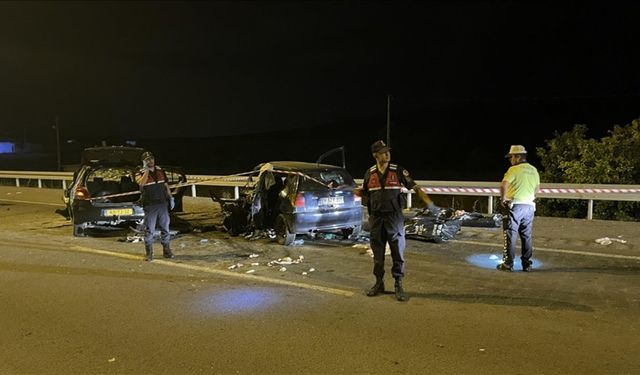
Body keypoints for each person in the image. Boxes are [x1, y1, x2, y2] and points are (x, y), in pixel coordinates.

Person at [357, 140, 438, 301]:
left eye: (388, 151)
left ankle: (398, 284)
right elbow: (364, 192)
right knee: (378, 254)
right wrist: (348, 190)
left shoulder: (398, 171)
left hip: (394, 217)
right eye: (383, 152)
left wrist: (430, 203)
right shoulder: (370, 173)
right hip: (376, 218)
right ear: (375, 155)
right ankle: (379, 283)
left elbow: (415, 188)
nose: (387, 154)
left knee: (397, 252)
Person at [497, 145, 540, 272]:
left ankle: (508, 264)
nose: (510, 160)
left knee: (510, 234)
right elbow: (537, 189)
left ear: (518, 156)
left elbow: (503, 185)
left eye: (511, 157)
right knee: (526, 236)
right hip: (530, 207)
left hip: (515, 205)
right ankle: (527, 264)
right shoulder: (534, 170)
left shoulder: (514, 170)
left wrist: (503, 199)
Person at [136, 151, 175, 261]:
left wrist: (171, 198)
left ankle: (167, 251)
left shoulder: (160, 171)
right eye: (147, 159)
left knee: (165, 228)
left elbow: (166, 186)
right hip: (150, 205)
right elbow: (141, 184)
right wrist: (146, 171)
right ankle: (149, 253)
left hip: (162, 204)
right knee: (150, 230)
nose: (150, 161)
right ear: (144, 162)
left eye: (151, 158)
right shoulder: (139, 173)